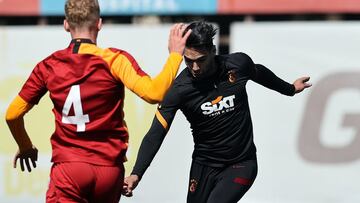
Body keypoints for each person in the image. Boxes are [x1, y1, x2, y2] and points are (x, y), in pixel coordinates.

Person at [4, 0, 191, 202]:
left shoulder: (49, 66)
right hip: (109, 171)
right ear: (99, 24)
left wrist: (25, 147)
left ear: (66, 24)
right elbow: (154, 94)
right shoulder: (115, 60)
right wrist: (174, 56)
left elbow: (12, 115)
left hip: (69, 169)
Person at [122, 21, 312, 203]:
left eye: (201, 60)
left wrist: (290, 89)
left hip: (241, 164)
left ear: (213, 51)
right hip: (203, 165)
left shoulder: (238, 64)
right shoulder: (179, 89)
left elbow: (258, 72)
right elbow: (156, 133)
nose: (194, 67)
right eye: (188, 61)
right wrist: (136, 173)